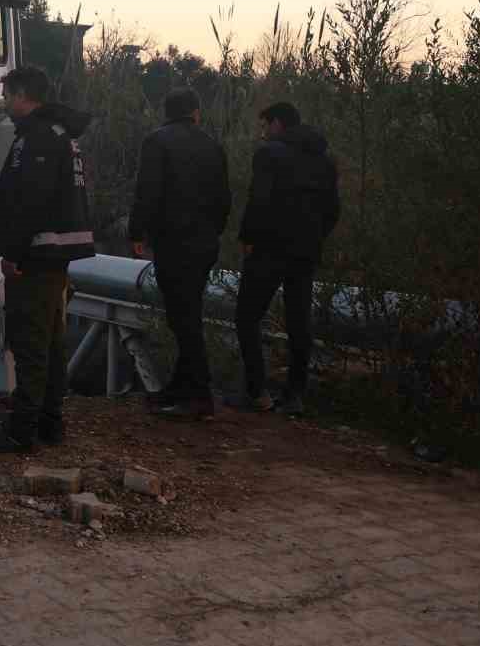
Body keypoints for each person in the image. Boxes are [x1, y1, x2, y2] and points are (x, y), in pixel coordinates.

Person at [0, 65, 95, 454]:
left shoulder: (37, 138)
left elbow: (30, 201)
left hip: (36, 256)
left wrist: (11, 253)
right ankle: (49, 423)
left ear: (24, 94)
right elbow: (31, 190)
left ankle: (20, 431)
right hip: (52, 255)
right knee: (51, 342)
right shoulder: (57, 134)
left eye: (8, 95)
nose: (5, 102)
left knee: (29, 343)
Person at [129, 87, 231, 420]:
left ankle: (199, 396)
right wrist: (212, 230)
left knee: (183, 319)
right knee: (186, 314)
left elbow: (147, 192)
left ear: (166, 112)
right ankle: (180, 387)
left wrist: (137, 232)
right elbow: (223, 199)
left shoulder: (157, 141)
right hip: (203, 244)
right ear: (195, 113)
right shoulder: (212, 145)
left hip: (174, 242)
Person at [234, 101, 340, 416]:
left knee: (246, 317)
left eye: (266, 126)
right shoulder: (325, 160)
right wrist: (315, 237)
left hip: (269, 249)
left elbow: (259, 200)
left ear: (278, 123)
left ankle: (257, 392)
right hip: (306, 251)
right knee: (299, 323)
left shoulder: (270, 153)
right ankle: (295, 396)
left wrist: (247, 238)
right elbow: (333, 210)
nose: (264, 133)